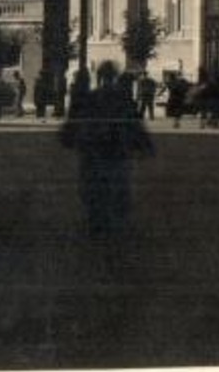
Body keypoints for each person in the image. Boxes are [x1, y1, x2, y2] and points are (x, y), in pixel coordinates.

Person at [60, 61, 154, 239]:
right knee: (120, 185)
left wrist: (68, 137)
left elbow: (75, 122)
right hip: (117, 150)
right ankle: (117, 222)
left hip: (93, 149)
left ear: (99, 77)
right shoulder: (123, 98)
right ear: (115, 77)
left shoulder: (90, 97)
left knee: (91, 186)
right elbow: (134, 123)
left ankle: (96, 220)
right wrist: (145, 145)